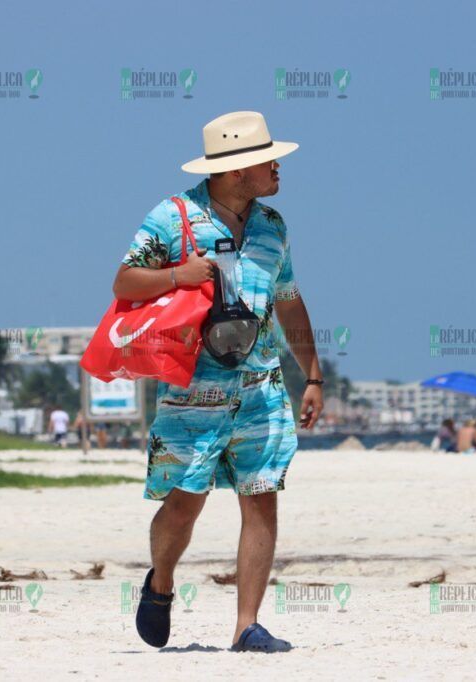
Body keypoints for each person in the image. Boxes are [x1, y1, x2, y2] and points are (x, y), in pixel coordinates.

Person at [113, 111, 323, 653]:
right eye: (267, 160)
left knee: (261, 498)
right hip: (192, 390)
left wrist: (314, 374)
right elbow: (125, 281)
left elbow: (289, 300)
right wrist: (178, 275)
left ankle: (246, 626)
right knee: (186, 501)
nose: (278, 167)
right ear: (234, 171)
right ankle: (160, 583)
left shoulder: (272, 226)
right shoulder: (174, 217)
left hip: (261, 387)